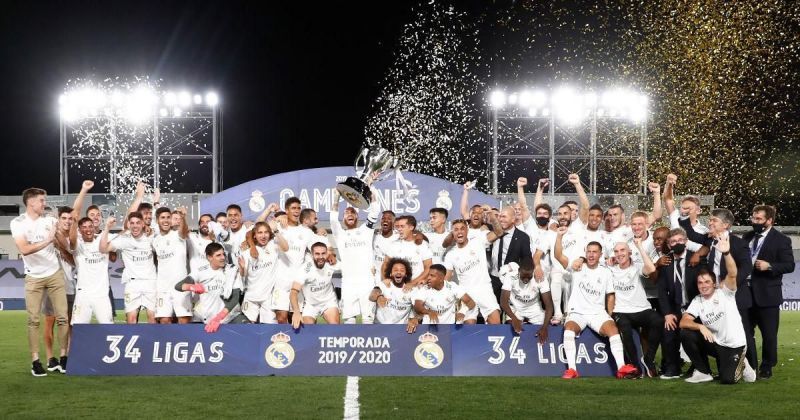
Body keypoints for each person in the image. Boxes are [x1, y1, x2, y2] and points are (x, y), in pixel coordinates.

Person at [553, 228, 637, 380]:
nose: (591, 254)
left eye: (595, 252)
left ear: (600, 254)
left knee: (612, 329)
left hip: (597, 312)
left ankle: (621, 368)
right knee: (569, 330)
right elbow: (558, 256)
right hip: (577, 312)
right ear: (585, 253)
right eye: (589, 251)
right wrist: (559, 236)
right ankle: (572, 370)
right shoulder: (577, 267)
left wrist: (609, 315)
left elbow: (610, 295)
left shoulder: (606, 272)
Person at [680, 208, 756, 371]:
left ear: (726, 225)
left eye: (714, 220)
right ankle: (705, 367)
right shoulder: (712, 241)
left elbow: (746, 267)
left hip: (735, 295)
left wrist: (728, 283)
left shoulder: (738, 243)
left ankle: (752, 366)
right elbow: (690, 234)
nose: (710, 222)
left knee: (744, 333)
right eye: (711, 220)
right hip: (715, 295)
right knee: (714, 330)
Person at [11, 187, 70, 376]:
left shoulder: (51, 221)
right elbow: (24, 249)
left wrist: (59, 237)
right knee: (33, 320)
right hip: (33, 277)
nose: (45, 204)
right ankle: (35, 361)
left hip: (54, 273)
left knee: (63, 317)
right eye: (42, 201)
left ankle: (63, 358)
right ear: (31, 203)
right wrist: (48, 240)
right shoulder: (18, 223)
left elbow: (63, 241)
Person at [742, 204, 795, 378]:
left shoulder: (781, 240)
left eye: (758, 219)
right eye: (753, 218)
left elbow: (789, 265)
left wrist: (769, 266)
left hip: (767, 294)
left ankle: (767, 366)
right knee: (745, 332)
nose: (754, 221)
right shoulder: (747, 236)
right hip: (745, 293)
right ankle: (749, 364)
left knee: (769, 335)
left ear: (769, 220)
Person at [608, 239, 663, 377]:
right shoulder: (610, 269)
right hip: (622, 310)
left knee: (658, 321)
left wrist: (639, 246)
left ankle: (648, 359)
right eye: (616, 251)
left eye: (622, 250)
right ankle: (635, 367)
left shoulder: (637, 267)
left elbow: (651, 269)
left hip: (642, 309)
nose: (619, 254)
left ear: (629, 253)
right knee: (625, 331)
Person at [657, 228, 702, 379]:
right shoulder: (666, 261)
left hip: (694, 306)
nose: (677, 243)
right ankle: (672, 368)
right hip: (675, 306)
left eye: (680, 240)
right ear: (669, 245)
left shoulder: (696, 258)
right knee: (669, 332)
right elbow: (662, 291)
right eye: (673, 241)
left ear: (686, 241)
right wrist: (667, 313)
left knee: (690, 335)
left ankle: (698, 367)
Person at [330, 189, 380, 324]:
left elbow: (375, 210)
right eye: (346, 213)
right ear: (344, 218)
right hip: (348, 283)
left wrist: (371, 190)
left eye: (353, 212)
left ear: (357, 217)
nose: (349, 214)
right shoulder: (340, 234)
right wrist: (336, 197)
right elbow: (333, 220)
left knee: (368, 321)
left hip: (367, 282)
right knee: (349, 322)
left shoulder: (366, 230)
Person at [175, 242, 245, 332]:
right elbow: (178, 286)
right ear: (209, 257)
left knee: (248, 329)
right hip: (208, 320)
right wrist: (192, 287)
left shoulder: (232, 270)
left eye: (223, 254)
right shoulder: (200, 271)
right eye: (218, 255)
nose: (223, 257)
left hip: (230, 317)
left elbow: (235, 298)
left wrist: (218, 318)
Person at [101, 212, 157, 324]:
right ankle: (134, 342)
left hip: (151, 282)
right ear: (129, 225)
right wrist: (107, 228)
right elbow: (103, 249)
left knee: (153, 319)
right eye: (132, 223)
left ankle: (151, 342)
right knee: (131, 320)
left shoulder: (151, 237)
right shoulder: (124, 239)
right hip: (132, 284)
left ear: (143, 224)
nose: (135, 226)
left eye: (138, 223)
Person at [444, 219, 503, 324]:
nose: (459, 232)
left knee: (495, 322)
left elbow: (499, 232)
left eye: (462, 229)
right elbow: (446, 279)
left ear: (467, 231)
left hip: (484, 289)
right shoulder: (450, 255)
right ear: (453, 233)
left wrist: (494, 219)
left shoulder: (478, 241)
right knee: (468, 328)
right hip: (466, 293)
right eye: (456, 230)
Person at [272, 197, 315, 324]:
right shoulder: (278, 226)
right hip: (281, 281)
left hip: (297, 282)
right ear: (286, 210)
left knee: (297, 319)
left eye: (298, 208)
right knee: (281, 317)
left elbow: (318, 245)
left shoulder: (306, 232)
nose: (296, 211)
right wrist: (275, 218)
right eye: (293, 208)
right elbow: (257, 228)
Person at [239, 221, 288, 323]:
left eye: (266, 232)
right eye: (260, 233)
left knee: (269, 329)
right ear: (255, 235)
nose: (263, 235)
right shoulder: (246, 253)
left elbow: (286, 248)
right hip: (251, 296)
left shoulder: (273, 246)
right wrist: (242, 268)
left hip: (268, 297)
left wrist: (276, 231)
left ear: (270, 234)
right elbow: (243, 275)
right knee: (247, 328)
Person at [69, 217, 114, 325]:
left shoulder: (103, 239)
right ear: (79, 230)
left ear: (94, 227)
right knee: (79, 329)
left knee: (108, 329)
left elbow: (126, 231)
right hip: (83, 295)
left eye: (90, 226)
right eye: (84, 227)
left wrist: (108, 226)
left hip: (102, 295)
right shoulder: (78, 245)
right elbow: (72, 239)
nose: (88, 229)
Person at [152, 207, 192, 324]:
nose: (166, 220)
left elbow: (184, 231)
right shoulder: (155, 241)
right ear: (157, 220)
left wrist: (183, 217)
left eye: (168, 217)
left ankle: (184, 342)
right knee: (164, 320)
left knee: (183, 319)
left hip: (180, 285)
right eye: (162, 218)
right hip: (163, 287)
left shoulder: (178, 235)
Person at [499, 259, 554, 343]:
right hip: (516, 308)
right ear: (519, 271)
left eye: (529, 277)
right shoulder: (510, 276)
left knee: (547, 328)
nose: (526, 279)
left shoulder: (540, 277)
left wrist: (545, 327)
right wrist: (514, 318)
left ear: (533, 272)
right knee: (511, 328)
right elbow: (503, 302)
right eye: (523, 276)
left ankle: (527, 324)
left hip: (534, 308)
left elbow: (549, 305)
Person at [490, 206, 533, 309]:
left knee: (511, 313)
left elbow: (527, 259)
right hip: (493, 279)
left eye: (504, 217)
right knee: (494, 312)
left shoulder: (523, 237)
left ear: (513, 219)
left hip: (513, 281)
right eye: (499, 216)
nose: (500, 219)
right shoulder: (492, 233)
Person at [290, 242, 341, 329]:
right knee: (307, 330)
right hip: (311, 304)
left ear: (327, 253)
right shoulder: (305, 269)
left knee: (335, 327)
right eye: (317, 254)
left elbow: (351, 269)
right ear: (311, 255)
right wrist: (296, 312)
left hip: (328, 302)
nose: (320, 257)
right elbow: (293, 292)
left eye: (323, 253)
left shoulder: (332, 263)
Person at [382, 215, 432, 287]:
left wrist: (412, 283)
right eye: (398, 226)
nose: (399, 229)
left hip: (417, 288)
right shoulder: (393, 244)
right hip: (396, 288)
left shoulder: (423, 244)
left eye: (402, 226)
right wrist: (386, 281)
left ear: (411, 227)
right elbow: (385, 265)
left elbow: (428, 267)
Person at [371, 258, 415, 325]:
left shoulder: (411, 291)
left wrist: (415, 319)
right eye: (395, 270)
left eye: (402, 270)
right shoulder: (384, 284)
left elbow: (418, 310)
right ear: (391, 273)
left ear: (406, 274)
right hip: (379, 328)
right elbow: (372, 296)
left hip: (400, 330)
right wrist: (379, 296)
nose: (398, 272)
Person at [372, 210, 398, 284]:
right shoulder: (373, 235)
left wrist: (419, 235)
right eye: (383, 218)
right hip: (375, 276)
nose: (385, 220)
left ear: (394, 222)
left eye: (389, 218)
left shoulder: (398, 237)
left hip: (392, 277)